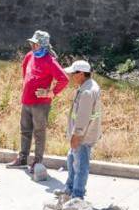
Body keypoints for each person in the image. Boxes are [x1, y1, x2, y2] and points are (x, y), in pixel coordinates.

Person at [8, 30, 68, 172]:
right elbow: (25, 71)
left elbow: (64, 79)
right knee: (25, 130)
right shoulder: (30, 56)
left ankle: (37, 162)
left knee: (39, 133)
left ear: (43, 45)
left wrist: (51, 92)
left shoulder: (50, 61)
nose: (32, 46)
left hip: (41, 104)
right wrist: (27, 87)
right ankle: (22, 158)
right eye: (32, 43)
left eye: (35, 44)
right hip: (26, 101)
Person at [63, 60, 102, 200]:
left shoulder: (87, 91)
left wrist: (76, 136)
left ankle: (77, 195)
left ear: (81, 74)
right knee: (72, 160)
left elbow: (83, 118)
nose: (71, 76)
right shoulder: (88, 86)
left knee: (80, 166)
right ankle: (70, 188)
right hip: (82, 134)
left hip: (82, 136)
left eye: (73, 73)